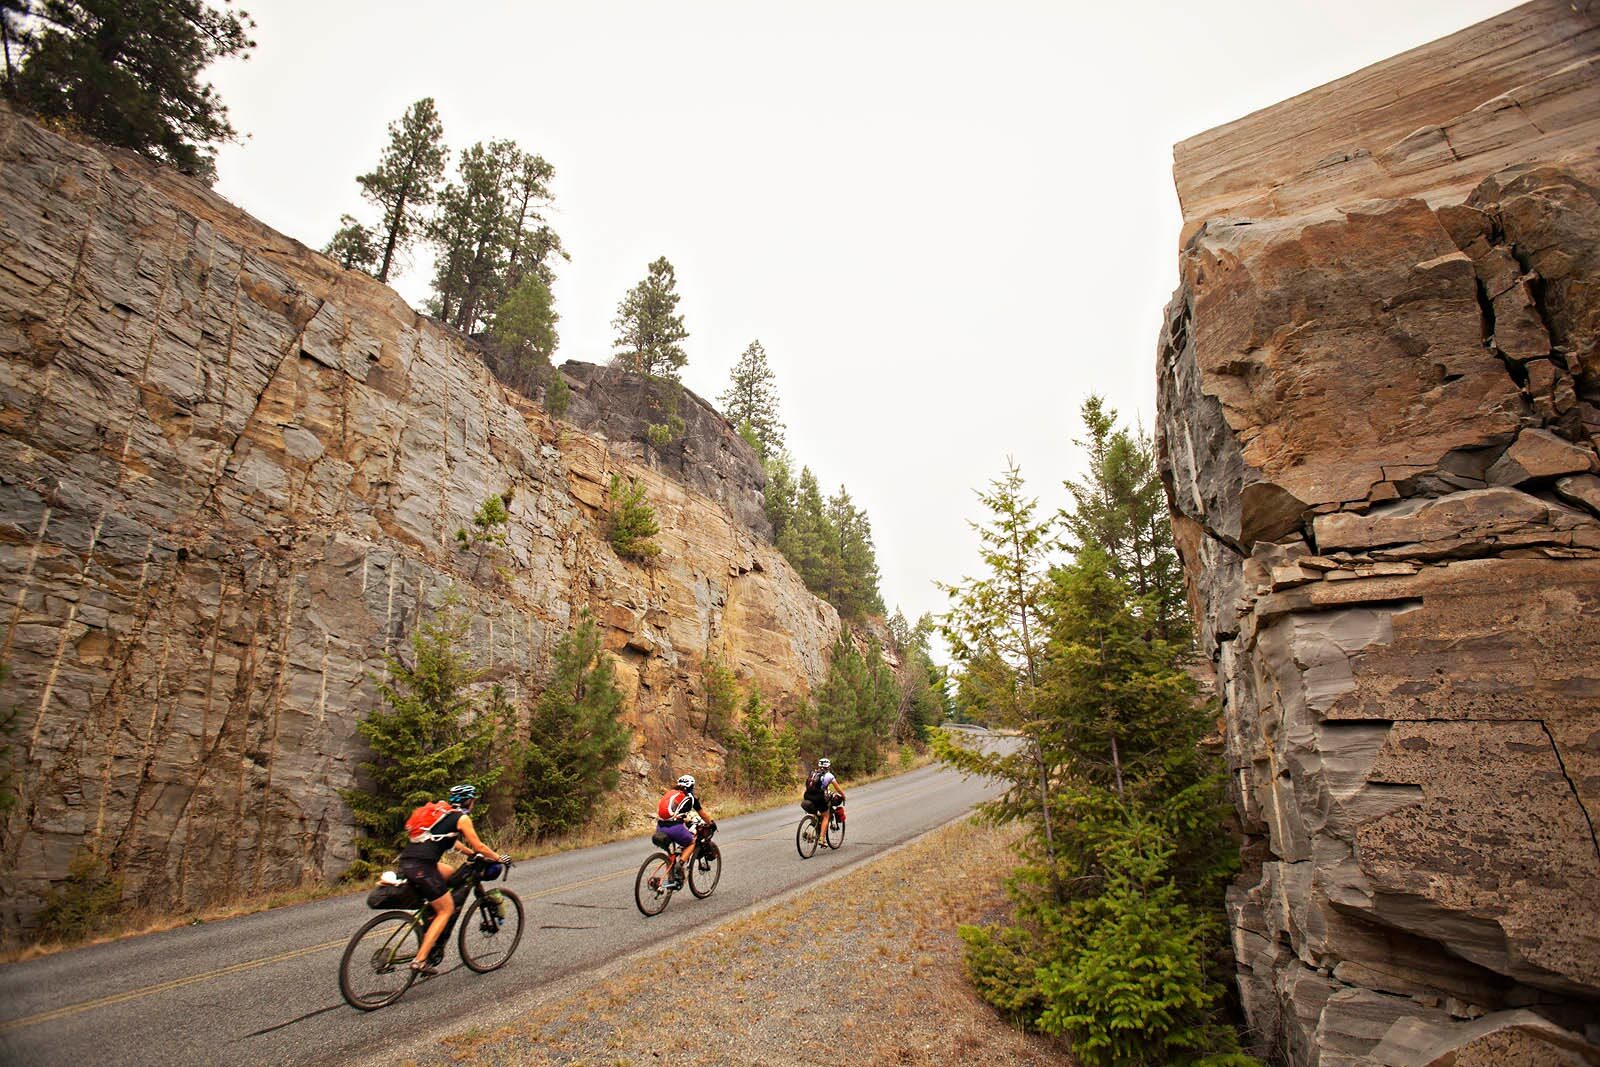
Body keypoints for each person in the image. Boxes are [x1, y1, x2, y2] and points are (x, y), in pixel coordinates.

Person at [396, 783, 506, 976]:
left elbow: (451, 841)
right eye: (473, 800)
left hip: (408, 862)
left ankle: (430, 914)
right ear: (469, 801)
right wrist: (499, 858)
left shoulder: (442, 812)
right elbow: (480, 846)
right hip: (424, 867)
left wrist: (469, 853)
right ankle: (420, 960)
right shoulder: (462, 818)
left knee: (450, 872)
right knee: (446, 909)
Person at [656, 774, 716, 890]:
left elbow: (672, 811)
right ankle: (680, 864)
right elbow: (702, 814)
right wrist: (712, 823)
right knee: (691, 842)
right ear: (691, 787)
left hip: (660, 827)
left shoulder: (670, 793)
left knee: (672, 853)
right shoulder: (690, 797)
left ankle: (672, 871)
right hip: (674, 827)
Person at [802, 758, 845, 842]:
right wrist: (843, 796)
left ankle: (813, 830)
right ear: (828, 766)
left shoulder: (812, 773)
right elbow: (838, 789)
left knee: (816, 813)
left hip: (807, 796)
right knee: (826, 815)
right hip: (818, 798)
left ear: (819, 765)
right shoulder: (829, 775)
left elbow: (807, 786)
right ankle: (821, 839)